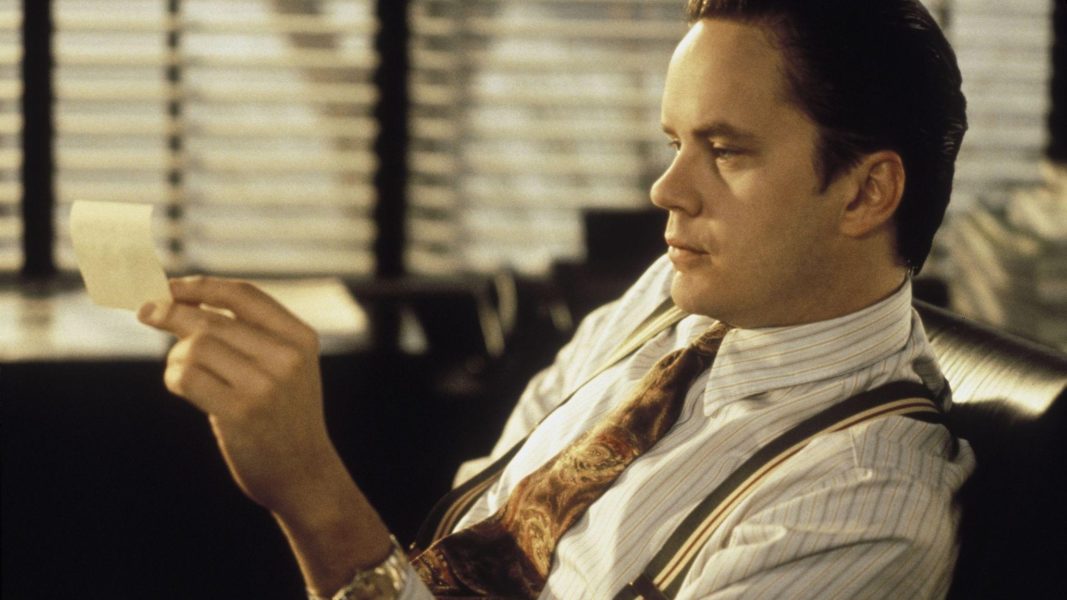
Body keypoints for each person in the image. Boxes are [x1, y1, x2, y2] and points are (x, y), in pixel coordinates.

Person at [137, 0, 975, 597]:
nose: (666, 189)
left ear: (865, 194)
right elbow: (476, 528)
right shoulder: (664, 307)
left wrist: (312, 493)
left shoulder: (857, 511)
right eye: (674, 143)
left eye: (724, 151)